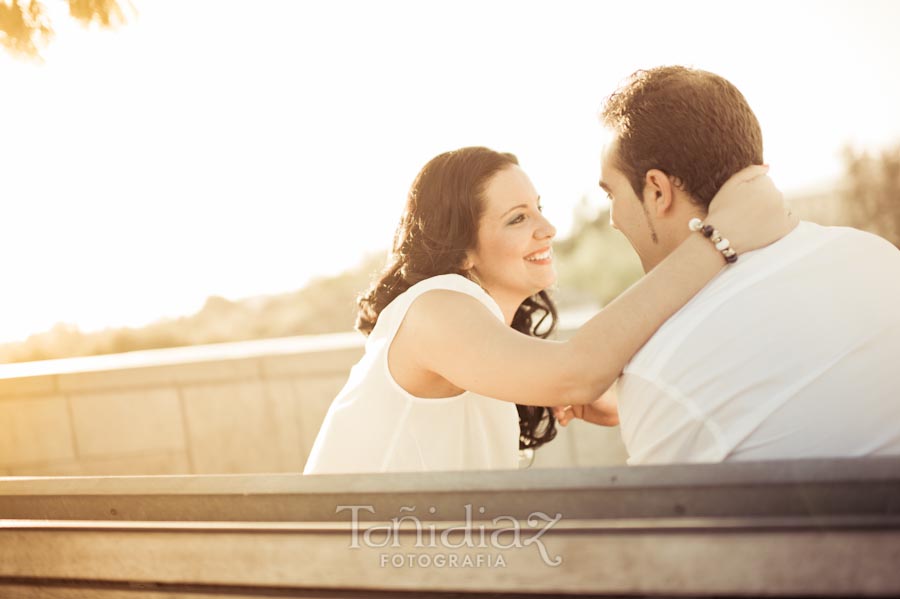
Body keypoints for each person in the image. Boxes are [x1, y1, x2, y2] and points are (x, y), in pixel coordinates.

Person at [303, 145, 794, 474]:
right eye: (518, 218)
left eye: (539, 207)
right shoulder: (436, 306)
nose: (548, 229)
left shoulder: (485, 340)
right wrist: (716, 239)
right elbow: (575, 373)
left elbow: (585, 383)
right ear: (462, 249)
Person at [556, 66, 900, 464]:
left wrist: (648, 396)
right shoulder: (877, 259)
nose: (613, 219)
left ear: (657, 190)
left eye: (611, 194)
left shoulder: (662, 367)